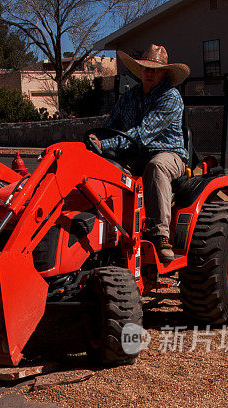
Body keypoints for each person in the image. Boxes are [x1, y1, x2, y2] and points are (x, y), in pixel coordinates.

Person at [89, 45, 190, 263]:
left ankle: (160, 234)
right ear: (140, 70)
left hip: (168, 153)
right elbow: (110, 125)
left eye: (155, 69)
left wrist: (105, 143)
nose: (149, 73)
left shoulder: (170, 98)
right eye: (146, 68)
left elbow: (143, 133)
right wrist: (95, 140)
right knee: (105, 171)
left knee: (156, 167)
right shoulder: (129, 97)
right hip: (134, 154)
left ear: (164, 73)